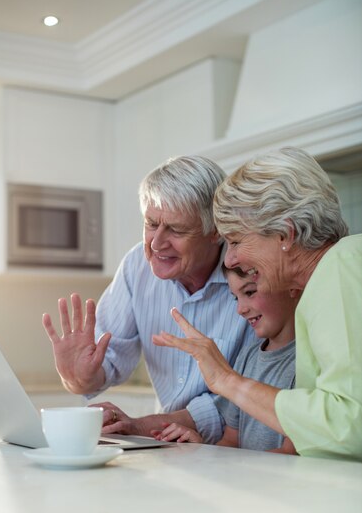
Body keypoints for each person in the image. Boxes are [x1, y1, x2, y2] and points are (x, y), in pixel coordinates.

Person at [153, 147, 362, 461]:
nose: (231, 258)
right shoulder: (327, 279)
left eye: (236, 240)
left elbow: (348, 424)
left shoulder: (341, 265)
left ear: (285, 234)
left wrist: (228, 381)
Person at [42, 156, 256, 443]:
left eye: (177, 230)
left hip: (241, 448)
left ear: (216, 232)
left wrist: (146, 426)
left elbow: (249, 396)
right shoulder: (136, 267)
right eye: (151, 224)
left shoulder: (250, 277)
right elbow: (107, 361)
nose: (156, 243)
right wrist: (79, 376)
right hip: (176, 444)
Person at [152, 265, 300, 454]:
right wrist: (200, 449)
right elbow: (230, 442)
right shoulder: (248, 356)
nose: (240, 309)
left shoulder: (306, 362)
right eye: (236, 298)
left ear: (292, 287)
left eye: (250, 292)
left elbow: (290, 454)